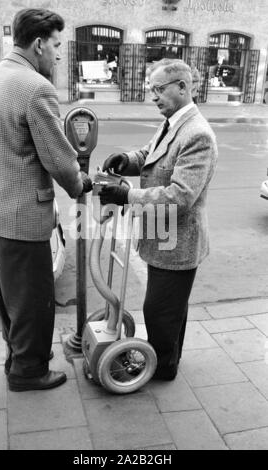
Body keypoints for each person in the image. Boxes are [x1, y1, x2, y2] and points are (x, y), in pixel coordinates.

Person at [0, 8, 93, 391]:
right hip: (22, 216)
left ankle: (17, 357)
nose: (58, 55)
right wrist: (81, 185)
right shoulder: (35, 87)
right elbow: (59, 158)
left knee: (9, 298)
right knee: (32, 300)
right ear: (39, 43)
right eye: (57, 45)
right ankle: (29, 372)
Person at [99, 59, 217, 380]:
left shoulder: (197, 135)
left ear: (182, 87)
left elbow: (179, 197)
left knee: (159, 309)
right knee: (171, 307)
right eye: (152, 90)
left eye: (159, 89)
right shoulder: (172, 123)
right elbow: (150, 155)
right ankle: (169, 359)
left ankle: (162, 367)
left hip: (178, 243)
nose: (153, 96)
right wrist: (127, 160)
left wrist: (126, 196)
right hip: (161, 237)